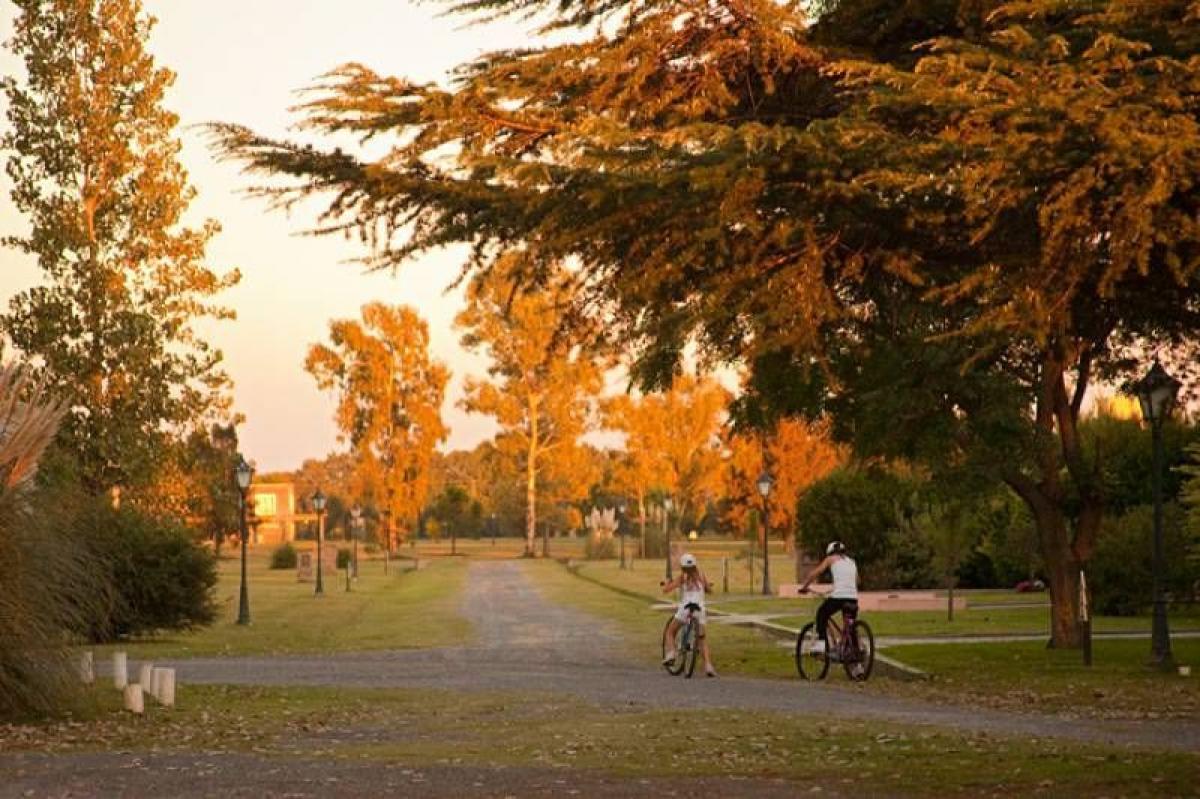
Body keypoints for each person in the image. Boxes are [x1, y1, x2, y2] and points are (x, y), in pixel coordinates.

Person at [660, 553, 717, 677]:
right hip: (699, 609)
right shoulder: (701, 575)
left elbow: (666, 590)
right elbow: (710, 591)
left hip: (685, 608)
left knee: (670, 632)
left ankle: (671, 654)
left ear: (682, 566)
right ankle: (708, 666)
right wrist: (708, 587)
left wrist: (666, 584)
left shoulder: (682, 577)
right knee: (702, 639)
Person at [798, 541, 858, 654]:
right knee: (850, 627)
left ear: (830, 552)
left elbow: (815, 573)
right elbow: (855, 581)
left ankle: (821, 644)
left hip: (838, 597)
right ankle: (856, 663)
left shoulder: (830, 559)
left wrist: (804, 587)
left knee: (821, 613)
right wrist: (834, 589)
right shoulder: (852, 562)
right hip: (853, 597)